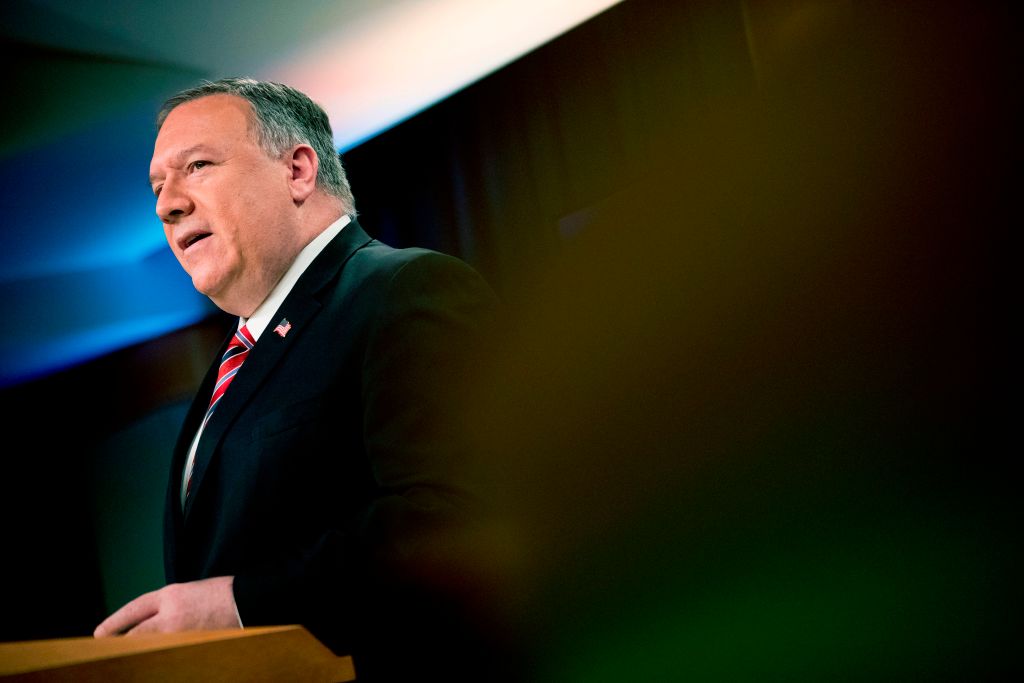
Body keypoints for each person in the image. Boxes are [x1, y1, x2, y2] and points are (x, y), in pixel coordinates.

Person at [93, 78, 501, 677]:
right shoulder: (234, 359)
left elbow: (457, 518)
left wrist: (236, 606)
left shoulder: (401, 289)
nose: (166, 205)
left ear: (299, 171)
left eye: (197, 166)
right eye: (158, 187)